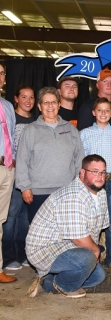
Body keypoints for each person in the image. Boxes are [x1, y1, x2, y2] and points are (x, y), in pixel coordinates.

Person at [26, 154, 108, 298]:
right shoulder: (73, 196)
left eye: (102, 172)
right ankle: (61, 285)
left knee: (98, 276)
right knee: (86, 259)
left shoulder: (101, 194)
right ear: (82, 173)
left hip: (68, 247)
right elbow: (79, 239)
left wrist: (93, 253)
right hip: (45, 250)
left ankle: (48, 280)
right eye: (94, 171)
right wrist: (95, 252)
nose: (100, 176)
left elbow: (95, 231)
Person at [16, 86, 84, 223]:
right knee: (40, 234)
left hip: (67, 191)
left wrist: (79, 185)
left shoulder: (71, 129)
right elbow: (22, 160)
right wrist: (25, 187)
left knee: (65, 234)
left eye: (53, 102)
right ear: (40, 107)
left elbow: (80, 158)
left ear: (59, 105)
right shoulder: (30, 130)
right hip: (38, 193)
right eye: (46, 102)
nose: (50, 106)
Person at [80, 98, 111, 273]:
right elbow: (81, 159)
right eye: (100, 110)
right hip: (92, 181)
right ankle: (91, 257)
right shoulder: (85, 133)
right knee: (92, 220)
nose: (103, 113)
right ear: (94, 112)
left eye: (107, 110)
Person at [2, 84, 36, 271]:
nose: (28, 101)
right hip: (14, 173)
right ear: (16, 99)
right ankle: (8, 256)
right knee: (10, 216)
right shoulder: (10, 118)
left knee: (24, 218)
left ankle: (22, 254)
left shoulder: (37, 120)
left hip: (32, 176)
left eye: (31, 97)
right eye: (24, 97)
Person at [0, 63, 17, 283]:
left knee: (0, 221)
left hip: (7, 168)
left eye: (2, 73)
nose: (0, 76)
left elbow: (10, 135)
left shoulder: (7, 106)